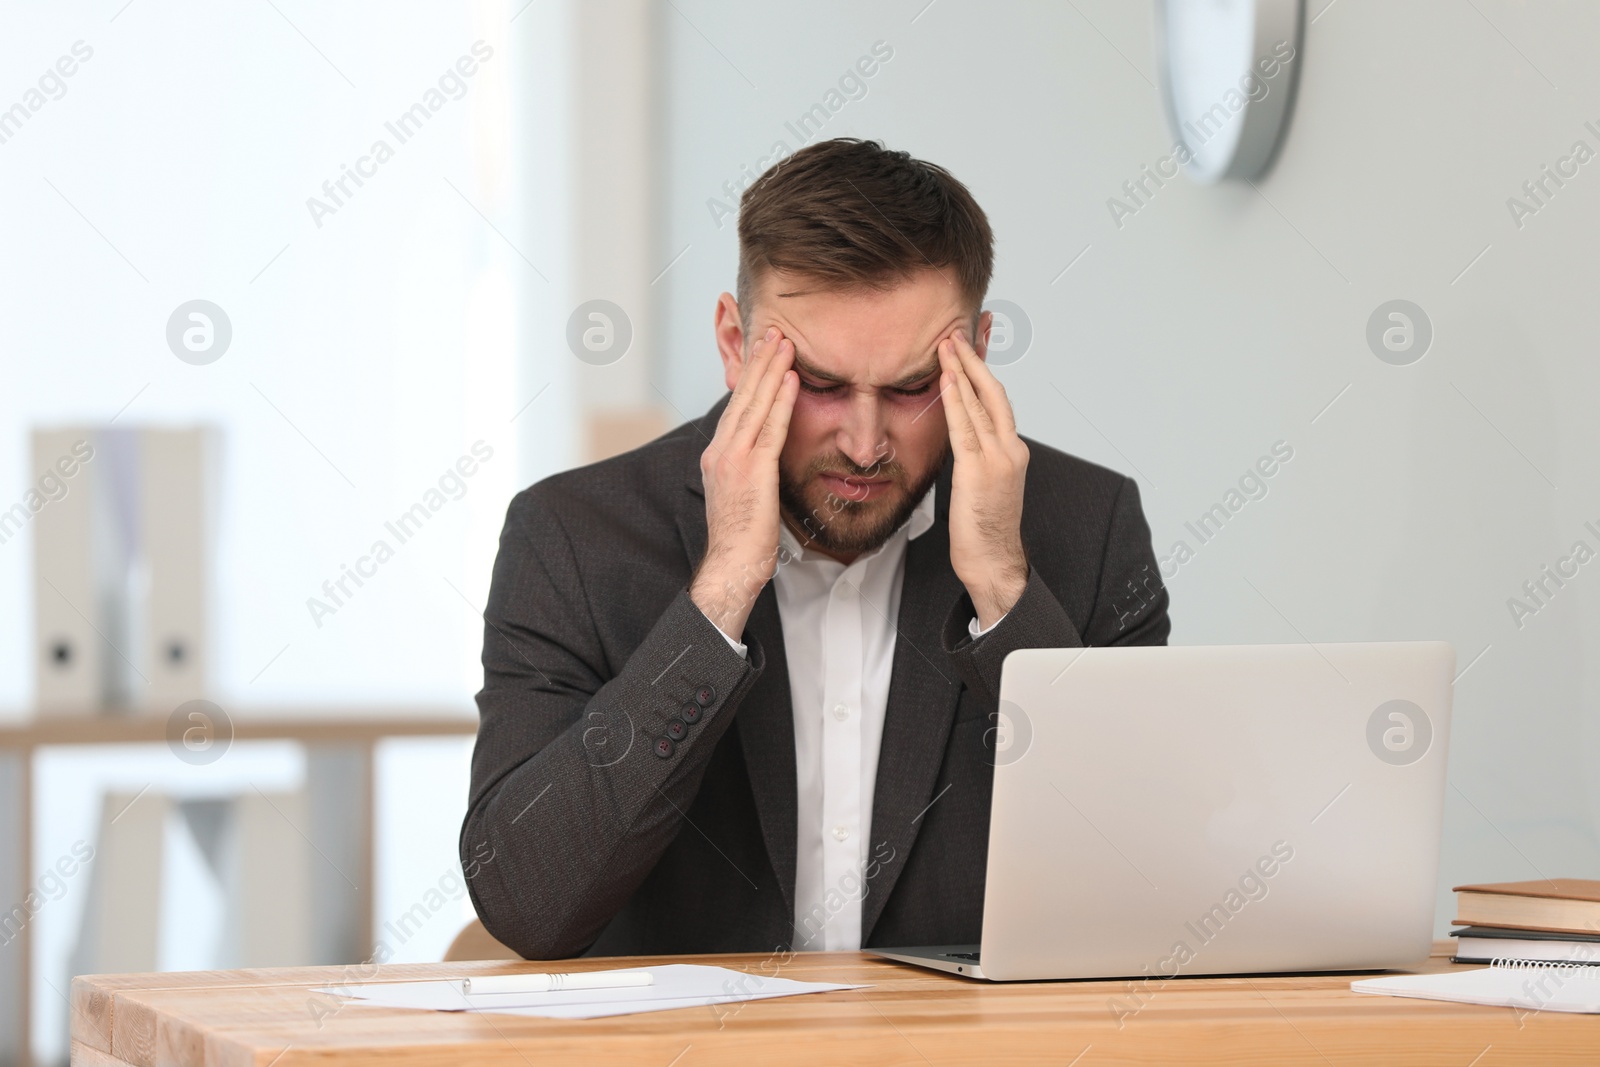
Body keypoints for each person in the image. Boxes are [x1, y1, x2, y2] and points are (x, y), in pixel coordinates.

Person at [461, 137, 1170, 960]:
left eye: (911, 388)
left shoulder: (1089, 527)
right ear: (735, 343)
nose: (866, 443)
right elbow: (526, 901)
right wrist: (720, 592)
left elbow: (1142, 886)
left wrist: (1006, 591)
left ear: (975, 351)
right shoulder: (573, 536)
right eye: (822, 385)